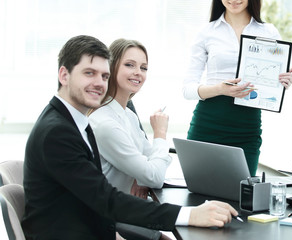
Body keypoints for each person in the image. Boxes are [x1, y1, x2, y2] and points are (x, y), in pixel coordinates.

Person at [22, 35, 238, 240]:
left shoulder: (74, 121)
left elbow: (96, 197)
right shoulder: (58, 132)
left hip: (89, 226)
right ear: (64, 75)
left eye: (104, 76)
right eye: (89, 73)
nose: (99, 83)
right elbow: (106, 199)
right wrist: (189, 215)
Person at [183, 0, 292, 176]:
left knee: (241, 193)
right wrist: (220, 89)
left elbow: (274, 79)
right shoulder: (206, 32)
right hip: (208, 123)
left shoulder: (268, 32)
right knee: (199, 191)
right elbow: (188, 89)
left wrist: (284, 81)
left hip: (247, 128)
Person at [89, 38, 169, 199]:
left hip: (131, 205)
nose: (138, 72)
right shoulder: (105, 123)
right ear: (111, 67)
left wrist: (141, 179)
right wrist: (160, 133)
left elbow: (151, 163)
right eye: (129, 65)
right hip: (112, 216)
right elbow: (155, 177)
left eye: (143, 68)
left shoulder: (128, 116)